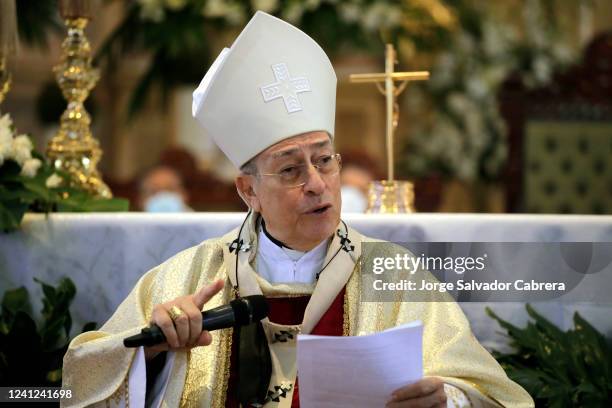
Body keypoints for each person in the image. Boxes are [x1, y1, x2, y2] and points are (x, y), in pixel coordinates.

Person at [61, 11, 533, 408]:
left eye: (324, 161)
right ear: (248, 190)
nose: (316, 184)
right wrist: (155, 354)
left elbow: (490, 392)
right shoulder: (186, 279)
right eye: (290, 170)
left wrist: (444, 398)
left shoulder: (397, 276)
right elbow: (81, 382)